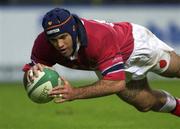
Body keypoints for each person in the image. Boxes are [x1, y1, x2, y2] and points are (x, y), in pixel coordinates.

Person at [23, 8, 180, 117]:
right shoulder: (42, 44)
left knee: (176, 69)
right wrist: (32, 75)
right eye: (53, 40)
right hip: (107, 63)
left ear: (73, 30)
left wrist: (75, 93)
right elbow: (30, 74)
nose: (60, 45)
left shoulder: (98, 37)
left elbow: (116, 84)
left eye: (63, 37)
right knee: (145, 104)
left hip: (136, 46)